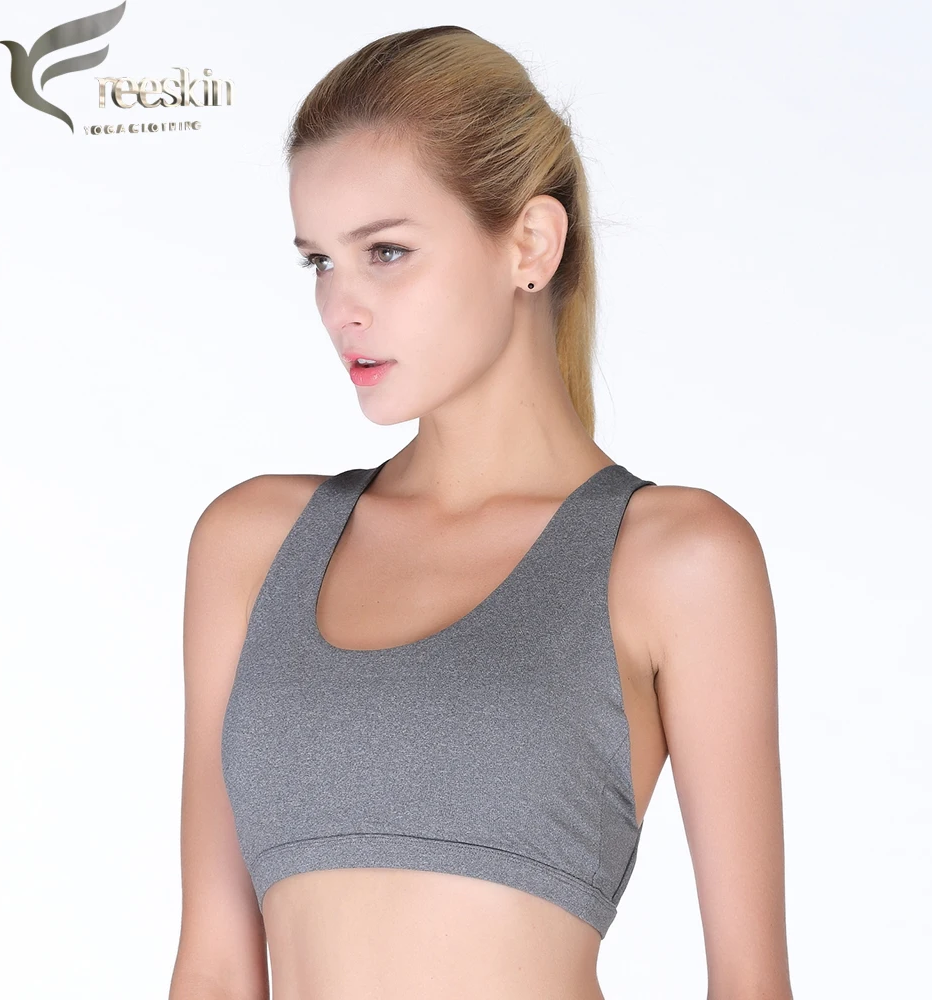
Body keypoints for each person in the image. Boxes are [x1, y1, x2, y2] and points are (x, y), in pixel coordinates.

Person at [168, 25, 792, 1000]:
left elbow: (750, 986)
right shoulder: (251, 544)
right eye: (319, 262)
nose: (341, 308)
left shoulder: (673, 559)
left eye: (385, 251)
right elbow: (211, 967)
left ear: (530, 244)